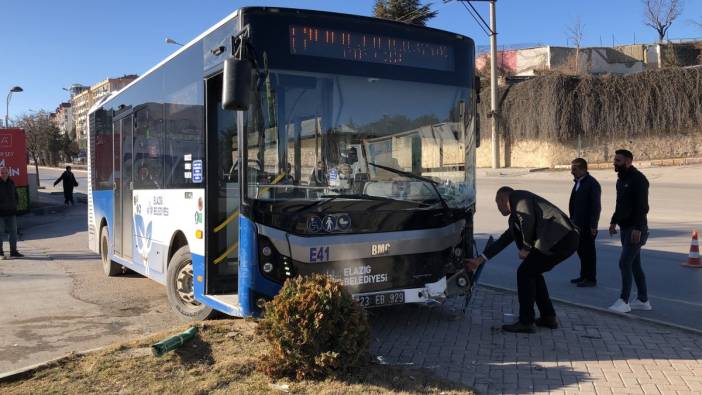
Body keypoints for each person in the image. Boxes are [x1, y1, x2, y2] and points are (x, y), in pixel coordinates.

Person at [466, 187, 579, 333]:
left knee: (524, 273)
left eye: (497, 203)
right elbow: (505, 239)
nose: (498, 208)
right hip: (561, 240)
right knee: (532, 273)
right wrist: (480, 260)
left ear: (502, 199)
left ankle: (526, 321)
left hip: (560, 238)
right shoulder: (514, 217)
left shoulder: (518, 198)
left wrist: (526, 247)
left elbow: (528, 219)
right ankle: (548, 317)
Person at [608, 149, 652, 313]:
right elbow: (620, 204)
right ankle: (643, 300)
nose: (614, 163)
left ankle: (624, 301)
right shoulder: (621, 180)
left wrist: (639, 229)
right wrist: (613, 221)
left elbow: (643, 207)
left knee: (624, 262)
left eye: (618, 161)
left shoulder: (639, 180)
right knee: (634, 265)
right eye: (615, 160)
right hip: (625, 227)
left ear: (628, 162)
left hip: (636, 228)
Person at [568, 158, 602, 287]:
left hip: (587, 225)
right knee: (581, 251)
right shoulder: (579, 182)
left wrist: (593, 225)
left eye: (574, 169)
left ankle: (591, 278)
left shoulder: (592, 184)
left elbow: (596, 206)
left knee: (589, 252)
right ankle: (583, 276)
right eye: (572, 169)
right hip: (577, 224)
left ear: (583, 169)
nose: (572, 171)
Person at [0, 167, 23, 258]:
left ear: (8, 173)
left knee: (13, 232)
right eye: (2, 173)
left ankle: (13, 251)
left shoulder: (11, 182)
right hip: (0, 213)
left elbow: (15, 195)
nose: (4, 174)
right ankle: (0, 252)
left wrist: (15, 204)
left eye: (5, 172)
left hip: (11, 212)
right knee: (0, 233)